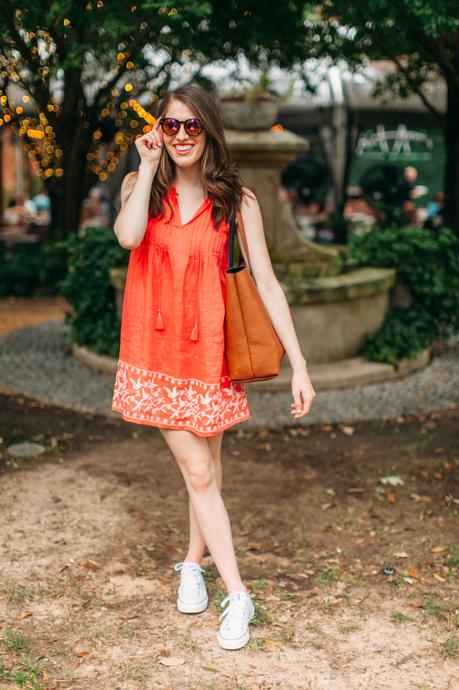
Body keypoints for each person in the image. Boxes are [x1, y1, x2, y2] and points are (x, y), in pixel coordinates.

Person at [111, 84, 315, 651]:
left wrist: (298, 364)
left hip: (210, 356)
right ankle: (238, 594)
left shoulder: (237, 200)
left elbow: (268, 286)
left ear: (210, 131)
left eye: (191, 127)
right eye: (170, 125)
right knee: (199, 473)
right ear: (159, 130)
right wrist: (146, 163)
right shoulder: (140, 187)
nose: (180, 136)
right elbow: (127, 237)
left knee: (210, 473)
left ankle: (191, 565)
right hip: (156, 355)